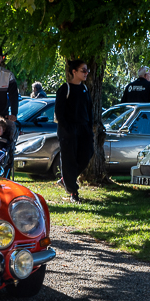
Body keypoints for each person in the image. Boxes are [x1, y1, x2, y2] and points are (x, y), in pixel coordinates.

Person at [54, 59, 94, 203]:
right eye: (83, 70)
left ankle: (66, 179)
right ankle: (73, 192)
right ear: (74, 71)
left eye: (87, 70)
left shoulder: (85, 89)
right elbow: (59, 112)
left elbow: (89, 110)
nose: (86, 73)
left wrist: (89, 127)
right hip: (68, 130)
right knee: (69, 160)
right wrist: (67, 128)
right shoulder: (65, 88)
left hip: (84, 128)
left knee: (87, 154)